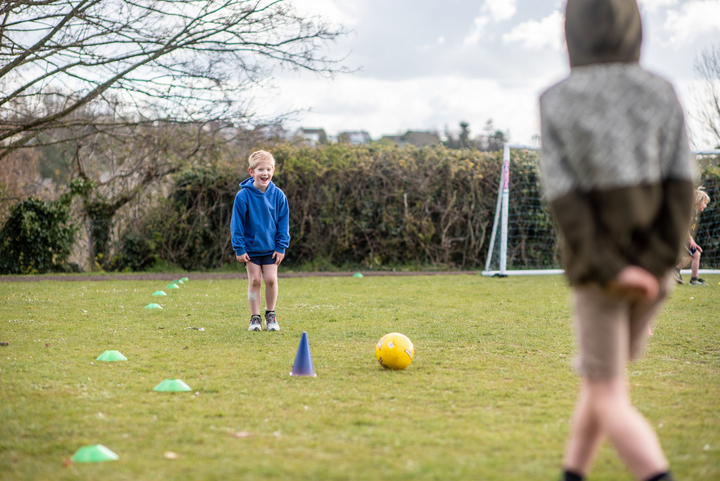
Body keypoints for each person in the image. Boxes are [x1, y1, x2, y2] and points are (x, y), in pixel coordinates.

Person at [538, 1, 697, 480]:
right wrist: (655, 265)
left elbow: (566, 201)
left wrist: (613, 270)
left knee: (608, 394)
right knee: (599, 383)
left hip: (598, 276)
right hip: (656, 275)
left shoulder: (556, 99)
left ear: (571, 31)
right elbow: (682, 186)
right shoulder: (662, 91)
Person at [231, 150, 290, 332]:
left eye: (268, 169)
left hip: (272, 249)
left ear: (273, 170)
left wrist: (281, 247)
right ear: (251, 172)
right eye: (260, 170)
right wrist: (239, 249)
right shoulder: (243, 196)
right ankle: (255, 318)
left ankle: (270, 315)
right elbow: (237, 224)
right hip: (251, 249)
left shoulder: (279, 195)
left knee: (271, 279)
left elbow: (283, 223)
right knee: (255, 280)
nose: (265, 173)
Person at [674, 188, 711, 285]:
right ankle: (675, 272)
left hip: (685, 237)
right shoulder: (691, 211)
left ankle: (693, 279)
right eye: (705, 203)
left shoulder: (695, 212)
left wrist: (693, 241)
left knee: (696, 254)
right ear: (699, 201)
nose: (706, 205)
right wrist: (691, 240)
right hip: (682, 237)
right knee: (694, 254)